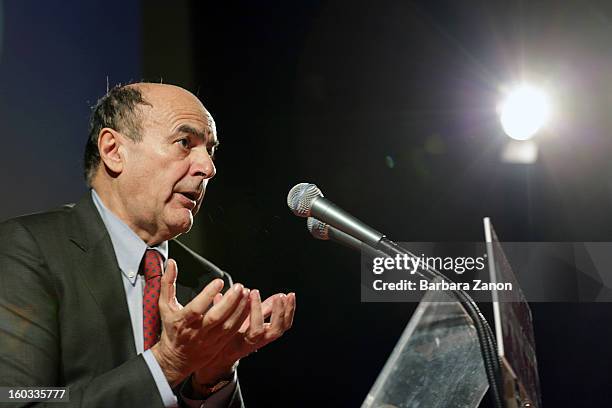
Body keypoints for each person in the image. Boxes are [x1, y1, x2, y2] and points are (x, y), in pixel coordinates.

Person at [0, 83, 296, 407]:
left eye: (210, 150)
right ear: (114, 151)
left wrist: (212, 380)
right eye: (185, 143)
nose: (209, 168)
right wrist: (166, 365)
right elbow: (16, 400)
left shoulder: (207, 283)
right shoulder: (27, 249)